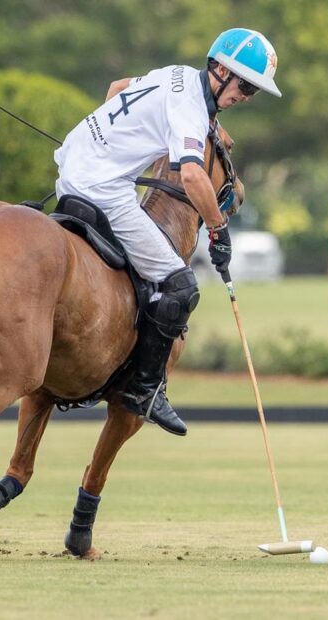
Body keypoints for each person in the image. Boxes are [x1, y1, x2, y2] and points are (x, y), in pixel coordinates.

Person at [53, 28, 282, 435]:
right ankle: (144, 390)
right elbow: (193, 176)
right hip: (104, 189)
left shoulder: (173, 73)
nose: (245, 97)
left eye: (254, 91)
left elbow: (117, 87)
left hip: (72, 163)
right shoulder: (193, 109)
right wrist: (219, 228)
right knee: (180, 285)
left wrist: (114, 148)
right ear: (218, 69)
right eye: (245, 86)